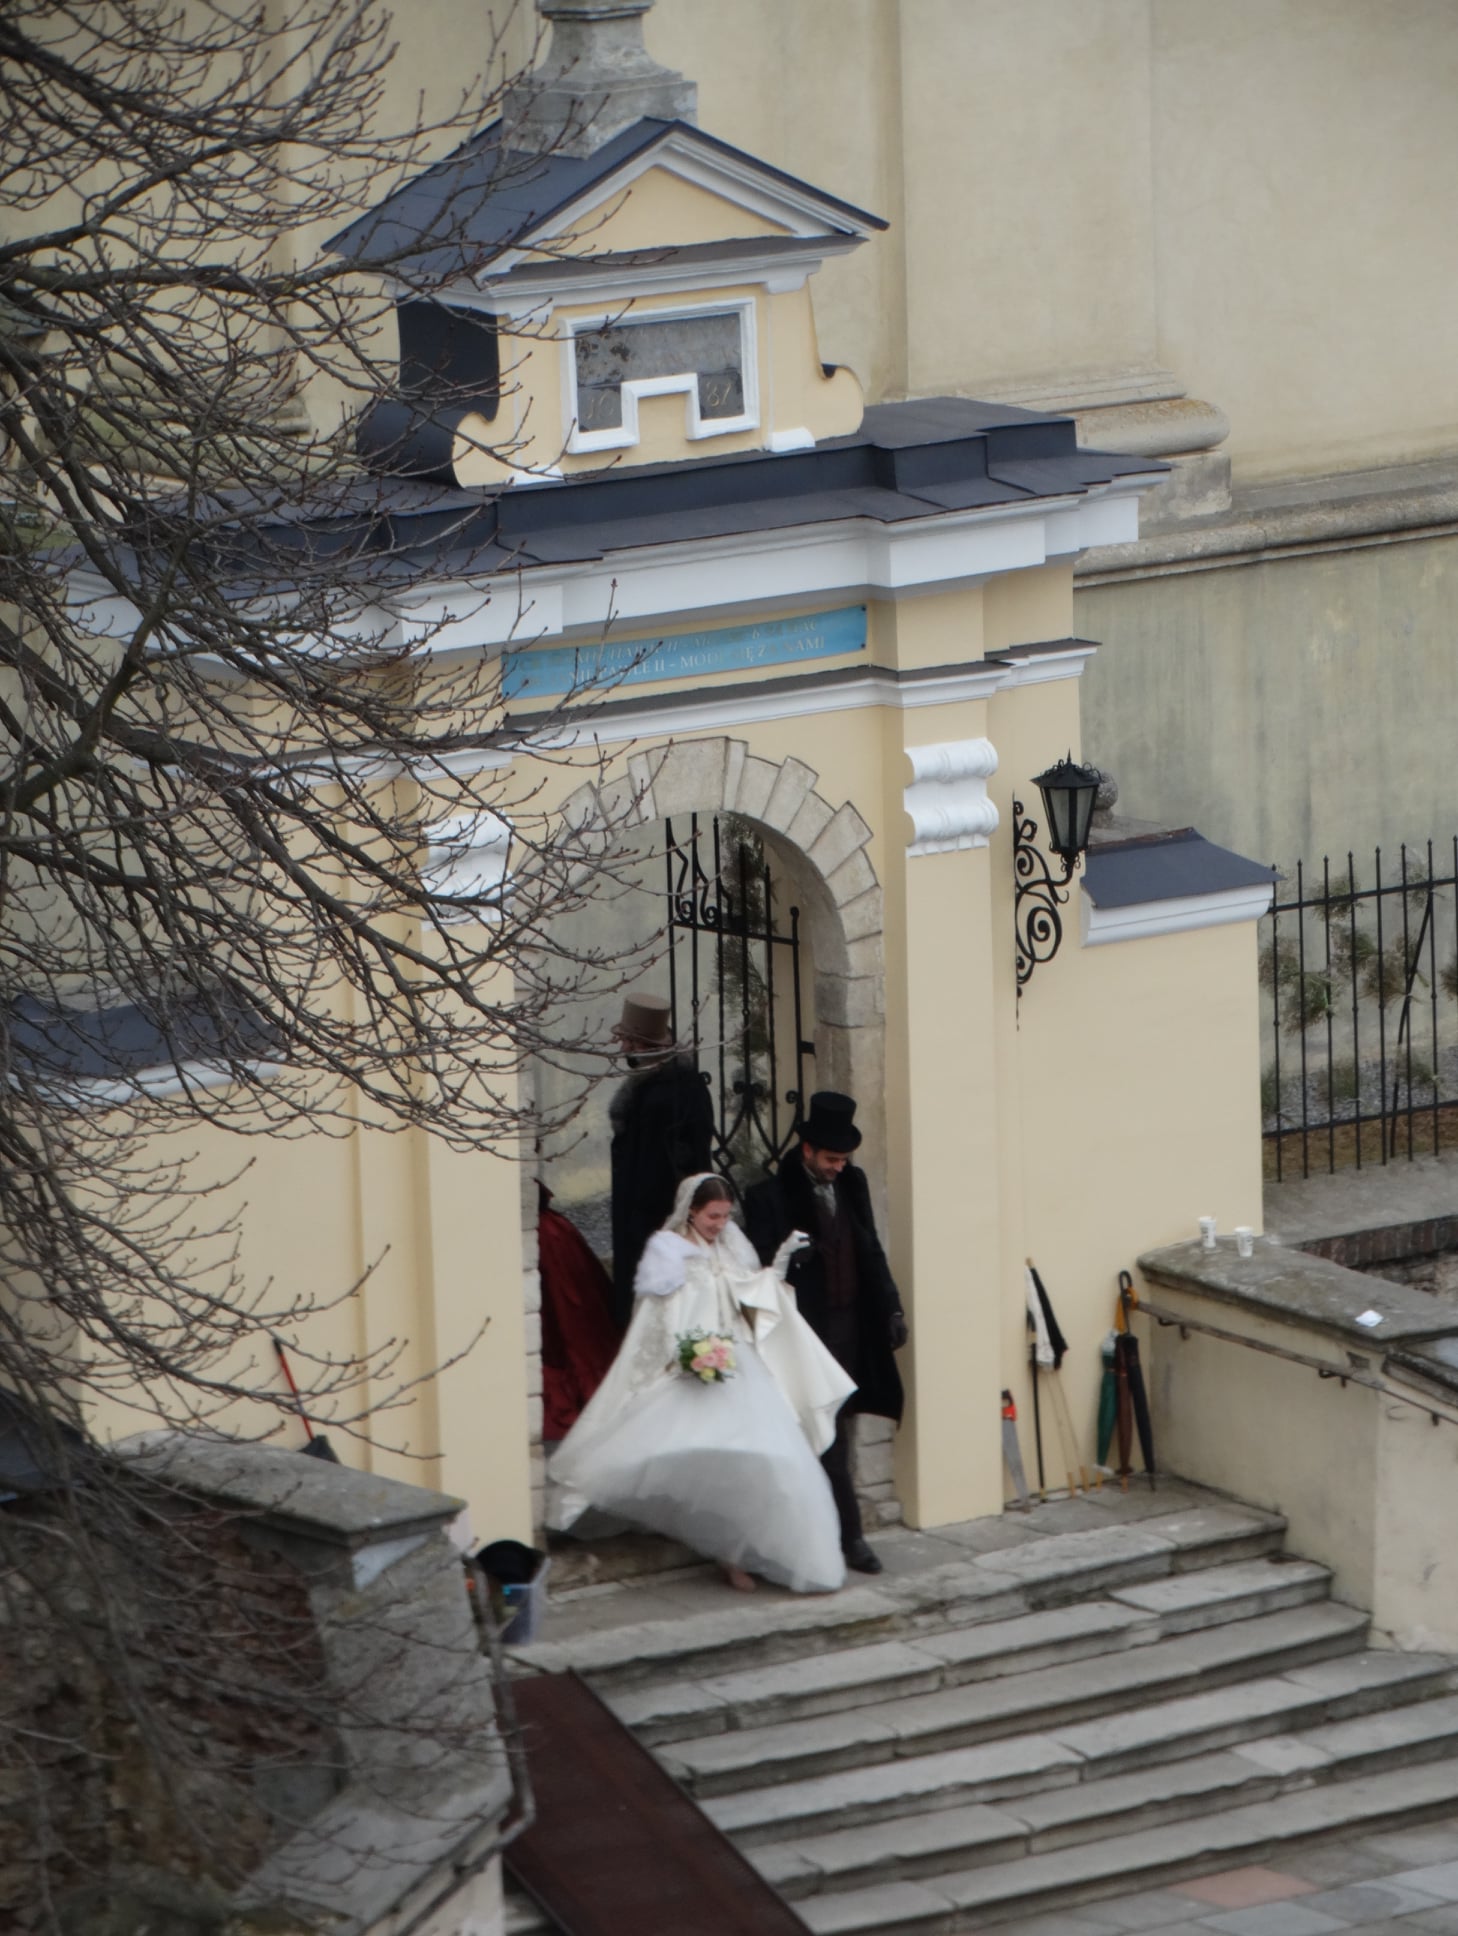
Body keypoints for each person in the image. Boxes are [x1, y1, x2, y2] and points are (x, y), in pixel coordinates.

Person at [547, 1173, 855, 1594]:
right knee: (709, 1464)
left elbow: (747, 1294)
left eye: (725, 1216)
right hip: (690, 1366)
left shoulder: (729, 1246)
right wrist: (684, 1354)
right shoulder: (668, 1252)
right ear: (691, 1210)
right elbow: (656, 1318)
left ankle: (763, 1551)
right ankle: (729, 1555)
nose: (719, 1223)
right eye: (713, 1216)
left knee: (766, 1461)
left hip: (738, 1364)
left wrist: (778, 1265)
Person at [745, 1092, 907, 1575]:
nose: (839, 1167)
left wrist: (892, 1307)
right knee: (821, 1437)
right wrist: (789, 1260)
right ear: (808, 1150)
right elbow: (759, 1269)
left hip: (852, 1330)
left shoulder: (852, 1184)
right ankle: (846, 1537)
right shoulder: (768, 1197)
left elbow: (870, 1249)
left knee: (837, 1431)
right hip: (804, 1337)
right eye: (832, 1158)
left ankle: (839, 1534)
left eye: (844, 1159)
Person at [608, 992, 715, 1330]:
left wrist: (662, 1225)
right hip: (645, 1220)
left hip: (656, 1225)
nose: (623, 1048)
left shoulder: (668, 1095)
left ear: (643, 1045)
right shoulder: (660, 1084)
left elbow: (680, 1167)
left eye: (628, 1040)